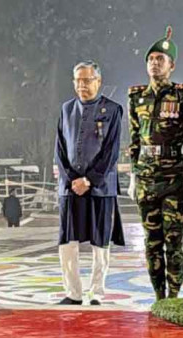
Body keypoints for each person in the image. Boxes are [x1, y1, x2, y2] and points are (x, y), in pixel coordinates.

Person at [128, 27, 183, 301]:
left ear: (172, 66)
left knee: (174, 240)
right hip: (146, 177)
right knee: (152, 242)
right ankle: (159, 295)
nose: (155, 63)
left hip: (173, 177)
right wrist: (134, 175)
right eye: (151, 59)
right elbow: (134, 138)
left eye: (161, 59)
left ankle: (174, 295)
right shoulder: (137, 97)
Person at [55, 60, 125, 305]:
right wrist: (71, 179)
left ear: (99, 81)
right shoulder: (66, 109)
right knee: (67, 241)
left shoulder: (113, 110)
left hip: (101, 187)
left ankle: (96, 292)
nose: (82, 85)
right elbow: (60, 150)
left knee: (100, 242)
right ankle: (72, 293)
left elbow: (111, 152)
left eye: (87, 80)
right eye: (78, 81)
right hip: (70, 188)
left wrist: (89, 179)